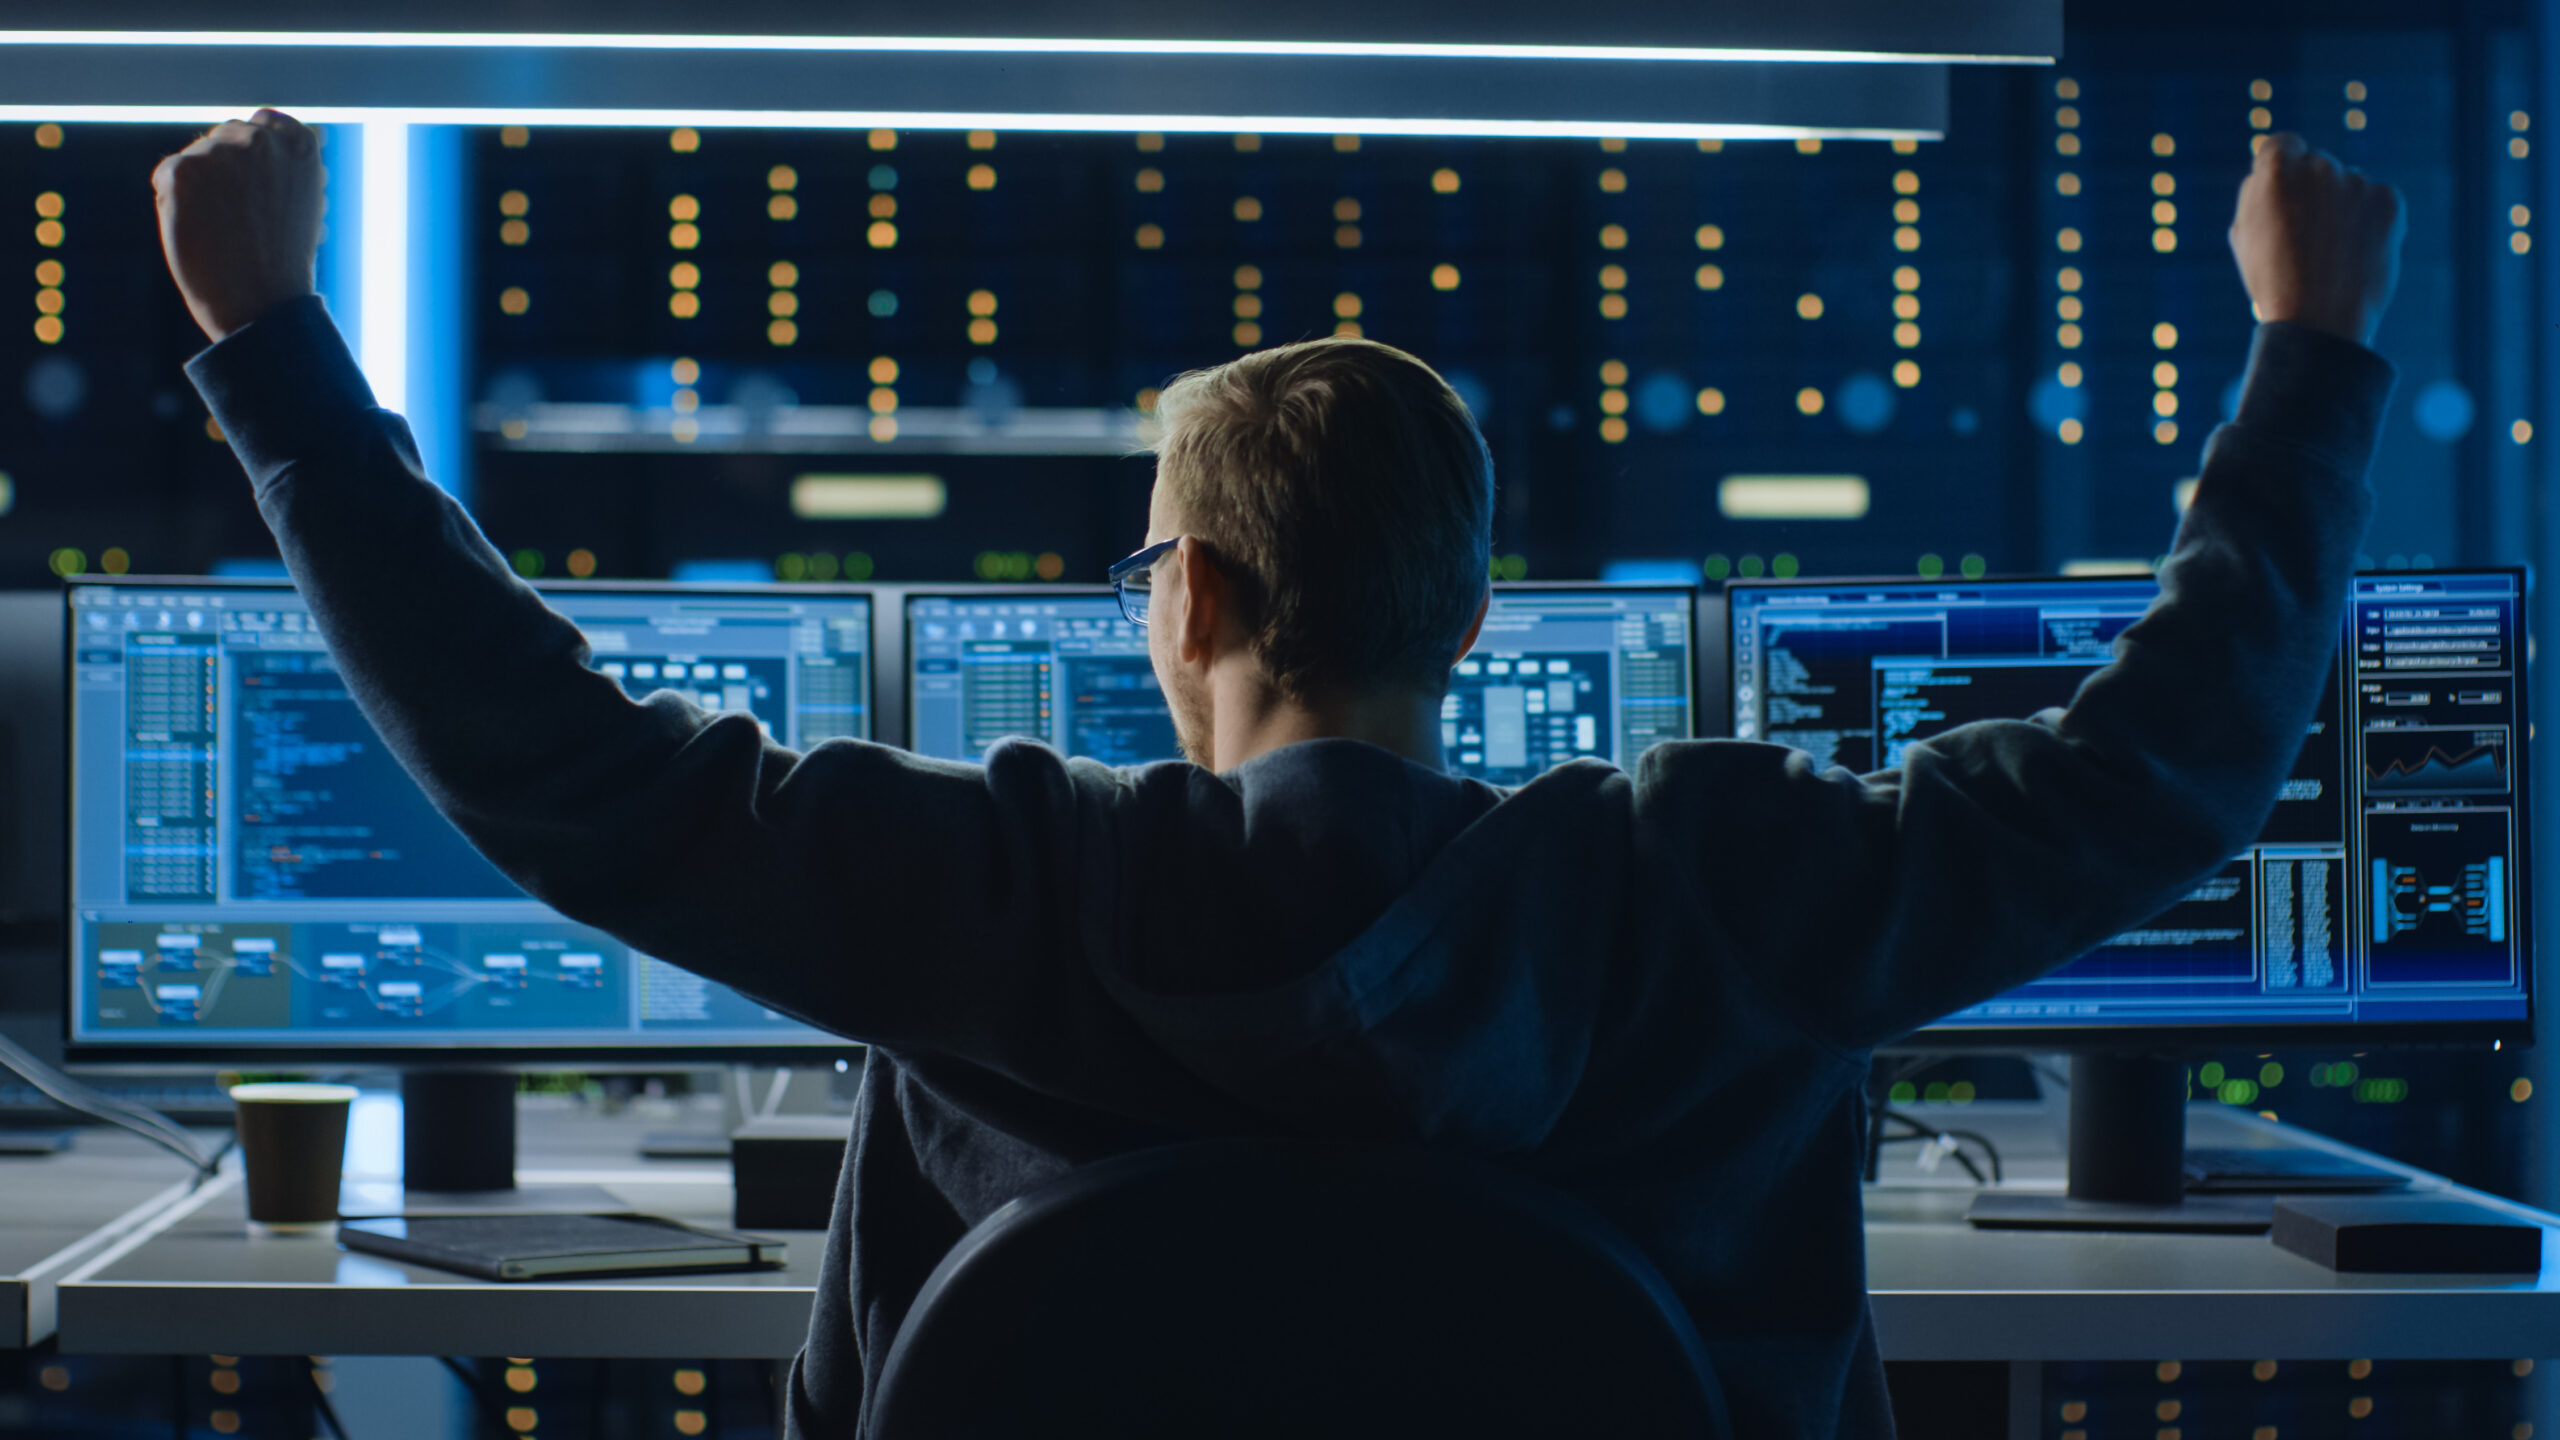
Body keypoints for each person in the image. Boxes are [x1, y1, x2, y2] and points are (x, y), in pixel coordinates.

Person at [152, 112, 2402, 1438]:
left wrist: (271, 350)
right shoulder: (1719, 890)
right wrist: (2303, 359)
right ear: (1470, 620)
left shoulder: (994, 894)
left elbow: (553, 762)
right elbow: (2161, 768)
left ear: (1191, 607)